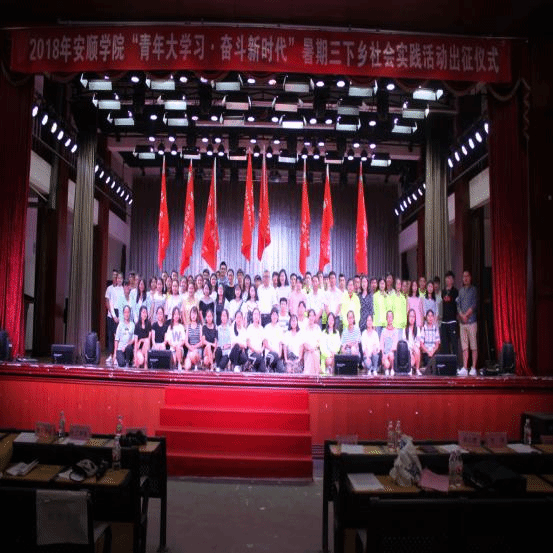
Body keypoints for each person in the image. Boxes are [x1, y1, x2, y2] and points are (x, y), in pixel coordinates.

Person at [457, 270, 478, 376]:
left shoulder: (474, 290)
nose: (465, 278)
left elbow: (474, 305)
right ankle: (465, 367)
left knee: (473, 346)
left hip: (471, 322)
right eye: (464, 276)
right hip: (462, 323)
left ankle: (473, 367)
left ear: (470, 278)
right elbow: (458, 305)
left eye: (467, 276)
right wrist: (462, 315)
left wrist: (466, 315)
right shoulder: (460, 291)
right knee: (464, 347)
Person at [440, 271, 459, 359]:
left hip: (452, 321)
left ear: (453, 280)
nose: (448, 280)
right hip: (444, 321)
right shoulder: (443, 291)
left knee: (454, 344)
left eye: (450, 278)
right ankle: (446, 363)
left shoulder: (455, 291)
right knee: (445, 344)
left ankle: (455, 363)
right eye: (447, 278)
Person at [105, 269, 121, 365]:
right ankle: (110, 355)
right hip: (110, 315)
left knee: (117, 336)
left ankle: (117, 355)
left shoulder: (120, 288)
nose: (115, 277)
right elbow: (107, 302)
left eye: (116, 275)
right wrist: (112, 314)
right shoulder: (109, 288)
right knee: (110, 335)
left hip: (118, 314)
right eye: (113, 275)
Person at [263, 307, 285, 372]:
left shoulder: (280, 329)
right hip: (269, 354)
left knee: (281, 369)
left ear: (278, 317)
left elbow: (281, 344)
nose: (274, 317)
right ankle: (269, 368)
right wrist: (274, 351)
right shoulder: (267, 327)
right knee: (272, 357)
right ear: (270, 316)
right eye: (273, 315)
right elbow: (265, 344)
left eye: (276, 315)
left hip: (277, 356)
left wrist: (279, 354)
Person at [302, 308, 322, 375]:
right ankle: (314, 374)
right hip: (307, 350)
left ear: (315, 317)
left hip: (315, 350)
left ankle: (311, 374)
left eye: (313, 316)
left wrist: (313, 348)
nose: (311, 317)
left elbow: (319, 342)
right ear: (308, 317)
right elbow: (304, 342)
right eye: (310, 316)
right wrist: (309, 348)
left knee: (314, 353)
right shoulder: (305, 328)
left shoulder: (318, 328)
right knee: (310, 355)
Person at [246, 307, 266, 371]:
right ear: (252, 316)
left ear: (259, 316)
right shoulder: (249, 328)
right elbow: (248, 344)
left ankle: (251, 368)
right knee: (259, 359)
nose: (256, 316)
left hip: (260, 354)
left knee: (263, 370)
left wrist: (261, 350)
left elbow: (264, 343)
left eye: (257, 314)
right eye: (254, 314)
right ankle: (249, 366)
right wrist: (256, 351)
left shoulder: (261, 329)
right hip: (252, 354)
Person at [166, 306, 186, 370]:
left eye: (178, 314)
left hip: (180, 349)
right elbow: (168, 340)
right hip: (172, 349)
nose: (176, 316)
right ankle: (175, 368)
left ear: (179, 316)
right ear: (172, 316)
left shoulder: (181, 327)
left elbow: (184, 340)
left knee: (178, 348)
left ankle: (180, 365)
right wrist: (173, 345)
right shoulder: (170, 327)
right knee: (174, 359)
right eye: (175, 314)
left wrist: (178, 345)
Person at [184, 306, 203, 371]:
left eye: (195, 314)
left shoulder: (199, 326)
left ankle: (198, 363)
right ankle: (195, 365)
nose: (193, 316)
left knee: (193, 354)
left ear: (197, 315)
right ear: (190, 315)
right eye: (192, 313)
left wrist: (194, 347)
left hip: (198, 350)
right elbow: (186, 342)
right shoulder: (188, 326)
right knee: (187, 367)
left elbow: (201, 342)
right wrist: (190, 347)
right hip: (190, 349)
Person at [404, 308, 422, 375]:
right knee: (412, 358)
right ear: (408, 318)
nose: (412, 318)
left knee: (417, 350)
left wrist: (414, 347)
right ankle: (410, 368)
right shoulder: (405, 329)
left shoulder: (417, 329)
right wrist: (411, 349)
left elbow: (418, 342)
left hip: (415, 350)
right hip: (408, 350)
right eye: (410, 316)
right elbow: (405, 343)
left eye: (413, 316)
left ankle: (417, 369)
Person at [380, 310, 398, 376]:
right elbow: (381, 344)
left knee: (391, 355)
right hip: (385, 354)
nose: (389, 319)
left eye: (391, 317)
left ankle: (392, 369)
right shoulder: (383, 331)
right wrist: (383, 355)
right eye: (388, 317)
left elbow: (395, 345)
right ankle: (386, 369)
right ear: (386, 318)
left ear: (393, 318)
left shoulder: (395, 331)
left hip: (392, 354)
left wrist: (388, 354)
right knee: (386, 364)